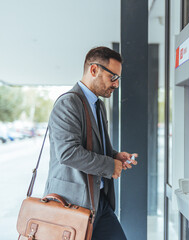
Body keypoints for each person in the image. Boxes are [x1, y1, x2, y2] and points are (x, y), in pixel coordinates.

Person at [44, 46, 137, 240]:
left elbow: (92, 146)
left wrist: (114, 155)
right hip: (72, 204)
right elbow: (68, 153)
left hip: (99, 202)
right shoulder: (68, 103)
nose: (116, 85)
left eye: (118, 79)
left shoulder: (98, 105)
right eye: (113, 77)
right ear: (94, 70)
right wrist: (110, 165)